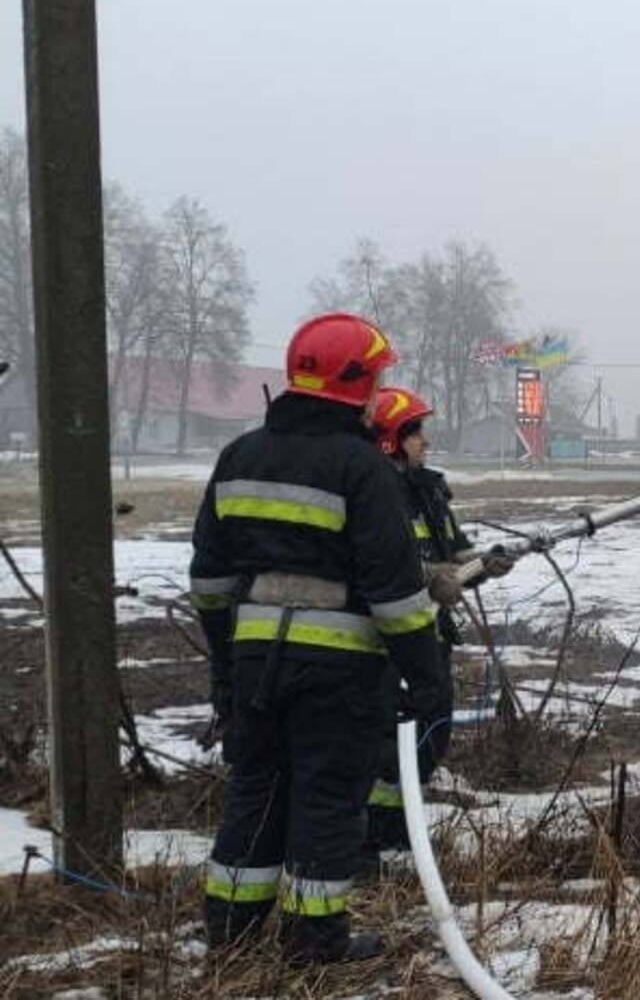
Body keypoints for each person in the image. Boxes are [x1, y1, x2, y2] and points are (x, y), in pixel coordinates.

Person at [189, 313, 449, 964]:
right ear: (356, 382)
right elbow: (394, 594)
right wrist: (429, 675)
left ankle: (230, 935)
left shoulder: (240, 456)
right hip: (339, 672)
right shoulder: (362, 469)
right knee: (328, 796)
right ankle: (313, 940)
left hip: (256, 664)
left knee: (256, 789)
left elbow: (211, 580)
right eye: (377, 376)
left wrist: (227, 664)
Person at [360, 386, 513, 863]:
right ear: (389, 440)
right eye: (416, 433)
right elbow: (374, 564)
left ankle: (394, 824)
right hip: (380, 641)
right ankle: (371, 833)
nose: (425, 441)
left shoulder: (427, 490)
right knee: (384, 738)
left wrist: (484, 563)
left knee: (432, 731)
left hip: (428, 636)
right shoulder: (373, 491)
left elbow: (453, 549)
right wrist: (430, 578)